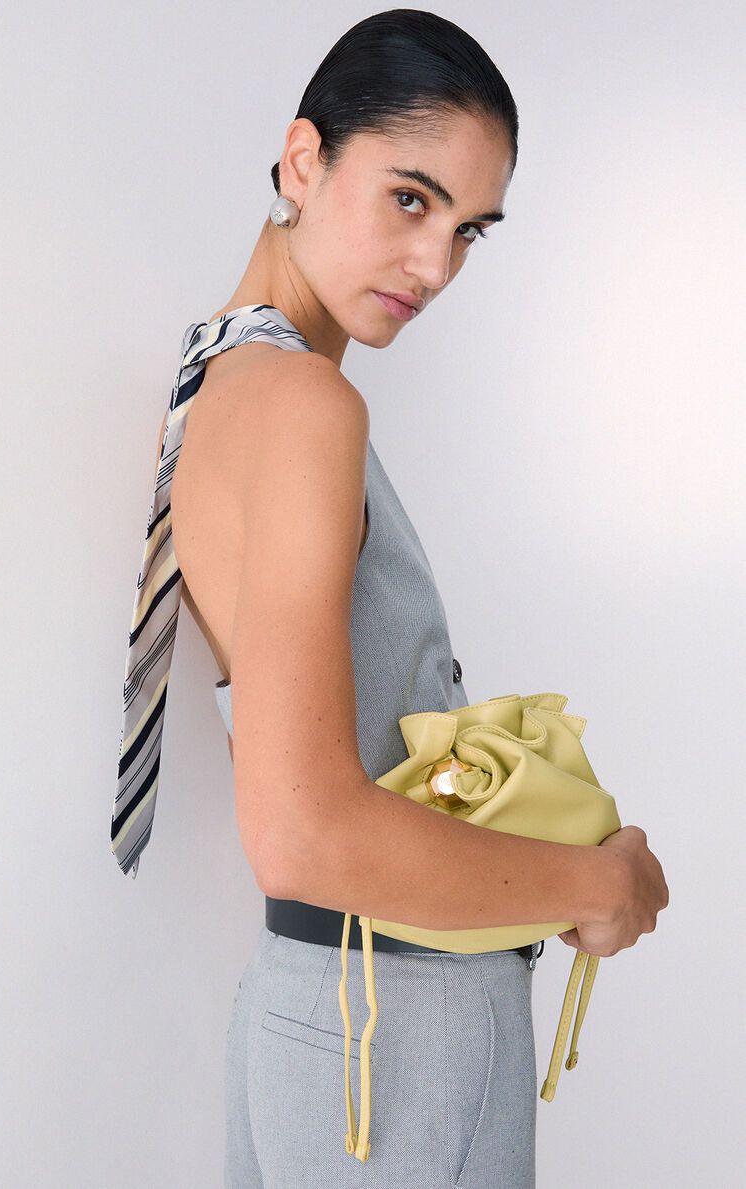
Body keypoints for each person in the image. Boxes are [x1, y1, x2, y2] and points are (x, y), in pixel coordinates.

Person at [163, 10, 669, 1187]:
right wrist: (597, 884)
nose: (436, 267)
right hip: (389, 1030)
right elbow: (302, 830)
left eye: (468, 229)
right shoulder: (305, 406)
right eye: (410, 199)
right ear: (304, 160)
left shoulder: (221, 379)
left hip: (317, 1016)